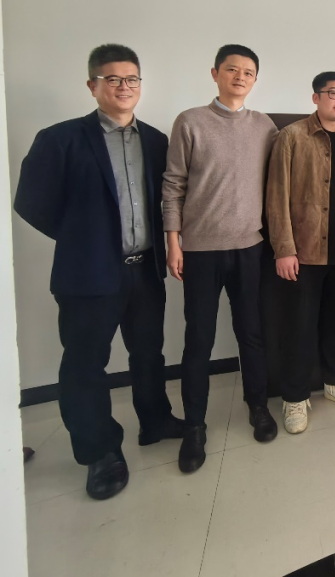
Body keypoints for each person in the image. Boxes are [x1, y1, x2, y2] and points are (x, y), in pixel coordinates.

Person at [14, 44, 182, 500]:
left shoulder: (156, 141)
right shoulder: (60, 139)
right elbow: (31, 203)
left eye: (132, 79)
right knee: (86, 365)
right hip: (88, 274)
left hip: (144, 270)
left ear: (140, 85)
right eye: (113, 79)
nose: (124, 87)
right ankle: (100, 452)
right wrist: (81, 239)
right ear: (93, 86)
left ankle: (155, 420)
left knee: (148, 353)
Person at [164, 44, 280, 473]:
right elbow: (173, 184)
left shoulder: (264, 126)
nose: (240, 77)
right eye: (232, 69)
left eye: (248, 72)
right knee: (199, 340)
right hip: (200, 250)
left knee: (251, 333)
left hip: (250, 247)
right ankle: (195, 426)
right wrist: (174, 242)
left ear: (255, 80)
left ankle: (257, 406)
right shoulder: (190, 121)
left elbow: (278, 181)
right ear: (215, 73)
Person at [266, 72, 335, 435]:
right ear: (315, 97)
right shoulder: (292, 136)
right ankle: (294, 397)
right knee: (298, 327)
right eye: (333, 93)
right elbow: (276, 195)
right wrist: (284, 249)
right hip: (304, 252)